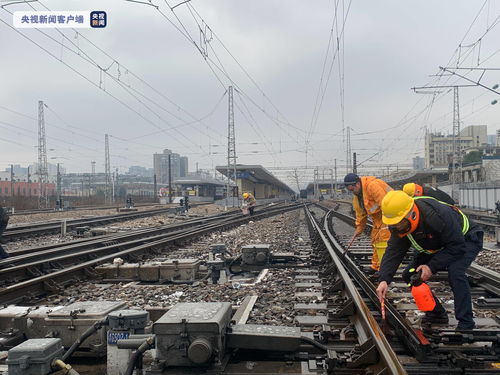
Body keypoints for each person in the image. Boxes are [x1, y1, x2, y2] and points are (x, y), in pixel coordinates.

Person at [376, 190, 483, 330]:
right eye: (394, 225)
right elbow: (394, 250)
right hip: (436, 244)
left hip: (465, 240)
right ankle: (437, 313)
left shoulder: (437, 216)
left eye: (400, 224)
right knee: (409, 275)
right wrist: (384, 279)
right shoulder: (399, 225)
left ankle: (466, 323)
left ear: (412, 214)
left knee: (456, 272)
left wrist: (431, 267)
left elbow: (457, 247)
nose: (397, 229)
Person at [343, 173, 393, 272]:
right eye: (350, 191)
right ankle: (376, 266)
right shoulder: (357, 196)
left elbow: (385, 204)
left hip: (389, 214)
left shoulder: (372, 186)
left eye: (352, 190)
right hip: (378, 219)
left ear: (357, 184)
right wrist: (359, 229)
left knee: (383, 239)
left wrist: (390, 223)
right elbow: (361, 215)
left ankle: (384, 269)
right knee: (374, 239)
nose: (352, 192)